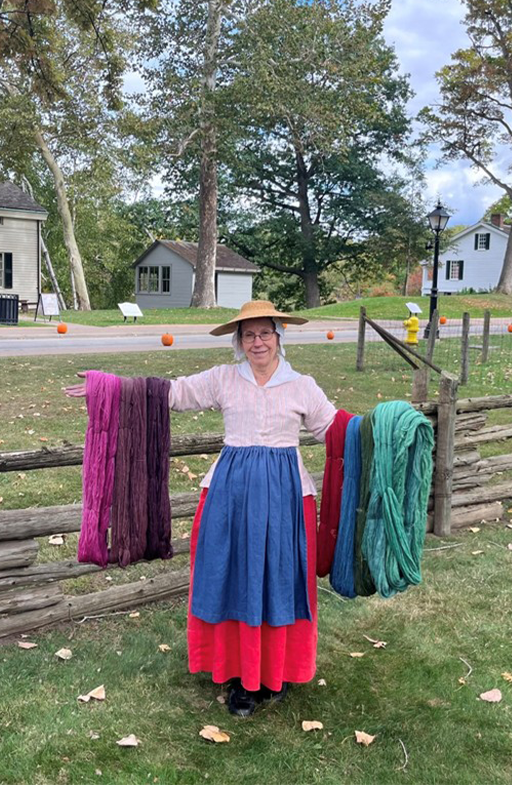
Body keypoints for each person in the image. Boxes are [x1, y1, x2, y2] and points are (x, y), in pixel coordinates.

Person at [63, 300, 338, 717]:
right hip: (231, 494)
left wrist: (385, 427)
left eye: (265, 333)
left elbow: (334, 428)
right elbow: (172, 393)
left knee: (277, 579)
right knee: (232, 576)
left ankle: (272, 673)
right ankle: (238, 676)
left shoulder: (303, 386)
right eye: (249, 335)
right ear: (239, 340)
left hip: (285, 498)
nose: (257, 342)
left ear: (280, 335)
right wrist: (110, 387)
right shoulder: (224, 379)